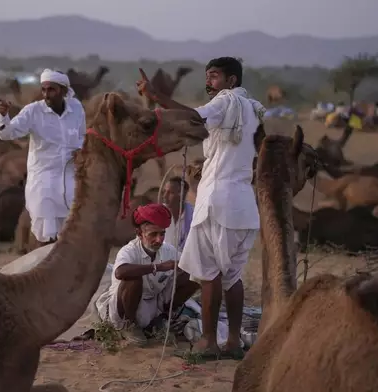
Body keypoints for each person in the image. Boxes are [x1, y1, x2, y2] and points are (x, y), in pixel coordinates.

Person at [136, 56, 263, 360]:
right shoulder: (254, 109)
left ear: (232, 81)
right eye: (207, 76)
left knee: (209, 275)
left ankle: (208, 343)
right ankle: (233, 342)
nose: (209, 82)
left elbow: (192, 117)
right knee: (232, 276)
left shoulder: (226, 101)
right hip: (244, 205)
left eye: (215, 76)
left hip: (217, 202)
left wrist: (156, 97)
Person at [0, 69, 85, 244]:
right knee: (46, 232)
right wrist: (3, 116)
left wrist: (80, 150)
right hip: (44, 180)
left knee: (72, 232)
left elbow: (82, 136)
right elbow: (8, 133)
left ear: (64, 90)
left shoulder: (76, 109)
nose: (46, 95)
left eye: (51, 89)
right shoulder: (33, 111)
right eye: (44, 90)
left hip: (70, 177)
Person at [95, 203, 200, 346]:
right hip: (124, 309)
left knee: (193, 276)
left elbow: (188, 264)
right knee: (133, 279)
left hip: (154, 305)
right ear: (139, 234)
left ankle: (163, 319)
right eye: (153, 234)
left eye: (162, 234)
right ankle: (130, 327)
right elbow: (120, 272)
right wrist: (159, 267)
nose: (159, 240)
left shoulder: (167, 250)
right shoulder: (129, 251)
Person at [162, 176, 194, 250]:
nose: (165, 196)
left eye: (170, 192)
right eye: (165, 192)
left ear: (182, 194)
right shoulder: (157, 214)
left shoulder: (194, 217)